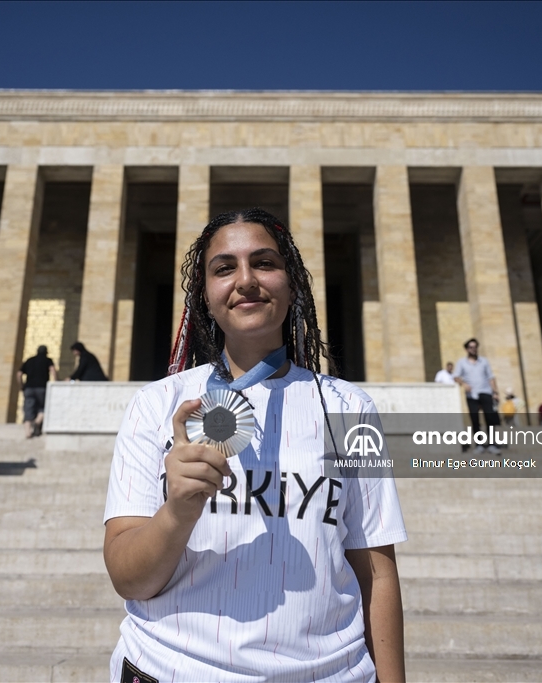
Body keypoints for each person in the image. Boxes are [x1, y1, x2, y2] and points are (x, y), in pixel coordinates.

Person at [103, 208, 407, 682]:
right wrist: (178, 511)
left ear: (292, 284)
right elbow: (128, 577)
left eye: (264, 263)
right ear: (204, 296)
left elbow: (377, 572)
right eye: (224, 268)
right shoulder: (156, 404)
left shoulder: (349, 406)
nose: (245, 280)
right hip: (174, 669)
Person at [452, 338, 501, 454]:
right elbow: (456, 376)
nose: (473, 349)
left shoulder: (484, 361)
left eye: (475, 347)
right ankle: (479, 444)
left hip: (485, 392)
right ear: (466, 349)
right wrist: (463, 384)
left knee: (490, 418)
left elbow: (491, 377)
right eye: (471, 347)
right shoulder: (461, 362)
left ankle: (492, 444)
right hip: (471, 394)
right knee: (475, 420)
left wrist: (495, 392)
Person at [17, 345, 57, 438]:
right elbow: (53, 370)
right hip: (42, 387)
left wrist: (21, 385)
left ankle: (28, 432)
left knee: (28, 409)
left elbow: (19, 374)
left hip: (29, 387)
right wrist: (56, 382)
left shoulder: (29, 360)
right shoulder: (47, 360)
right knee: (44, 407)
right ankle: (37, 422)